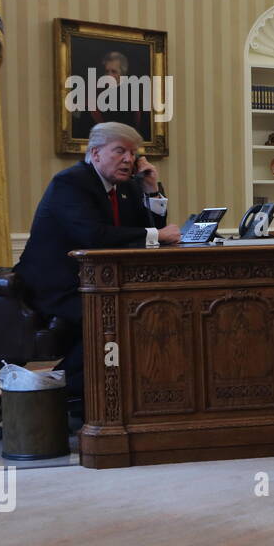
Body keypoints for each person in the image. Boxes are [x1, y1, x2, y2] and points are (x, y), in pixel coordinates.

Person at [15, 123, 179, 414]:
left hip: (96, 282)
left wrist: (152, 190)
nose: (129, 160)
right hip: (54, 285)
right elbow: (92, 236)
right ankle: (55, 397)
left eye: (132, 153)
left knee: (139, 312)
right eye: (120, 151)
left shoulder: (125, 187)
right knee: (114, 319)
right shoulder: (70, 182)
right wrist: (156, 235)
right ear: (95, 153)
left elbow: (150, 232)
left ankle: (86, 392)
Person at [71, 50, 151, 140]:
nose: (109, 75)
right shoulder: (95, 94)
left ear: (123, 74)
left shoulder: (134, 96)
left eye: (114, 72)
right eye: (106, 71)